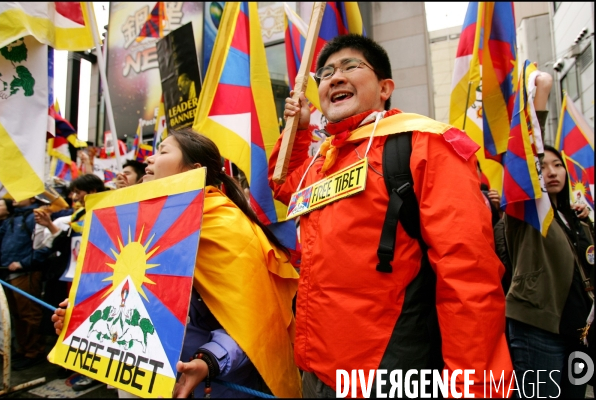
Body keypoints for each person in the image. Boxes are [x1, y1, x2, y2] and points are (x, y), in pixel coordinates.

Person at [269, 33, 512, 396]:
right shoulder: (325, 159)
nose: (334, 77)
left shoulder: (425, 144)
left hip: (387, 372)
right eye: (326, 72)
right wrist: (299, 131)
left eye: (352, 66)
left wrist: (474, 386)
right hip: (316, 370)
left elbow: (469, 277)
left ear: (385, 87)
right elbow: (287, 186)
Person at [53, 129, 301, 398]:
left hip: (218, 384)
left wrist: (209, 360)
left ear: (193, 170)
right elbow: (128, 299)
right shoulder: (141, 221)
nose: (149, 159)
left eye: (162, 152)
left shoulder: (225, 225)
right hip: (150, 376)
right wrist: (83, 319)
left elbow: (257, 315)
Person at [503, 144, 593, 398]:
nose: (551, 172)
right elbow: (523, 150)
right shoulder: (528, 211)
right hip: (539, 328)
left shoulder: (577, 219)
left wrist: (586, 223)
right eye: (542, 167)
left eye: (557, 165)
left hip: (578, 332)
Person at [35, 174, 107, 391]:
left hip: (95, 278)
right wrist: (50, 225)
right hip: (73, 275)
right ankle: (75, 361)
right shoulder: (77, 215)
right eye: (74, 192)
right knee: (71, 319)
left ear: (93, 191)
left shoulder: (105, 211)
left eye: (79, 192)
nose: (75, 197)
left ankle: (94, 368)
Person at [0, 196, 47, 370]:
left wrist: (23, 263)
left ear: (32, 197)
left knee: (29, 313)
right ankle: (24, 348)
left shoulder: (36, 216)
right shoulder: (14, 217)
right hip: (8, 272)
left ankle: (35, 351)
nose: (14, 197)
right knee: (17, 314)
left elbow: (44, 246)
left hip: (26, 272)